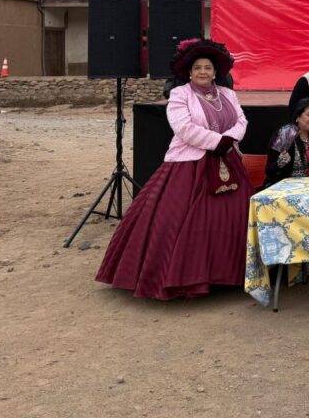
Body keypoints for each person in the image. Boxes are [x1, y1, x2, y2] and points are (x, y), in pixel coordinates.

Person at [96, 39, 252, 299]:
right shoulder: (180, 95)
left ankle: (229, 275)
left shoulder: (228, 94)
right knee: (177, 221)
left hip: (228, 160)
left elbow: (241, 120)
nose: (203, 72)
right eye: (197, 68)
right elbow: (183, 127)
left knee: (233, 219)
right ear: (189, 72)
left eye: (208, 68)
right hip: (189, 164)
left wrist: (229, 140)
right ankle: (187, 277)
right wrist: (216, 142)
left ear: (216, 72)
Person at [263, 98, 309, 188]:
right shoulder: (285, 135)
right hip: (286, 187)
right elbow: (269, 171)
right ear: (297, 117)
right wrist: (280, 162)